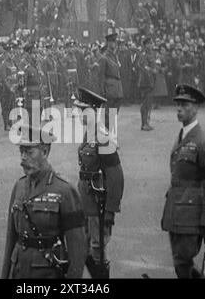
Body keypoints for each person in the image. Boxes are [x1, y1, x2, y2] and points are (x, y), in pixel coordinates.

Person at [1, 125, 87, 278]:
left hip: (47, 273)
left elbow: (77, 251)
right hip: (19, 271)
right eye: (21, 151)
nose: (23, 158)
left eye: (29, 152)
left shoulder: (64, 191)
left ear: (45, 152)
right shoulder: (19, 186)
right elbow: (11, 238)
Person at [161, 84, 205, 278]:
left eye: (184, 104)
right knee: (182, 263)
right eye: (177, 104)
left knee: (183, 263)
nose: (179, 108)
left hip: (190, 216)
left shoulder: (202, 142)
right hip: (177, 213)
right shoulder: (182, 136)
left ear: (195, 108)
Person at [74, 87, 124, 278]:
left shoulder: (103, 138)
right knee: (83, 246)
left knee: (97, 249)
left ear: (94, 111)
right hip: (86, 202)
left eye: (83, 111)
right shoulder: (90, 133)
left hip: (98, 205)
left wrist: (111, 210)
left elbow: (116, 176)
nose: (80, 115)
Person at [98, 31, 124, 131]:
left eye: (115, 42)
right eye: (113, 42)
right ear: (108, 43)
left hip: (117, 88)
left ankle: (109, 135)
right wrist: (102, 90)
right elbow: (101, 76)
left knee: (114, 114)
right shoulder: (104, 58)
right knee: (108, 114)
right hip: (109, 88)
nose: (115, 44)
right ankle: (106, 136)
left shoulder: (115, 56)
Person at [138, 37, 156, 131]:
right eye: (149, 44)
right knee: (145, 103)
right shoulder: (143, 55)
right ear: (145, 45)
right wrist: (153, 71)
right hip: (145, 82)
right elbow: (145, 68)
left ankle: (146, 123)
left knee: (148, 103)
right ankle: (144, 123)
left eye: (151, 43)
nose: (151, 45)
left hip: (150, 81)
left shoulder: (151, 55)